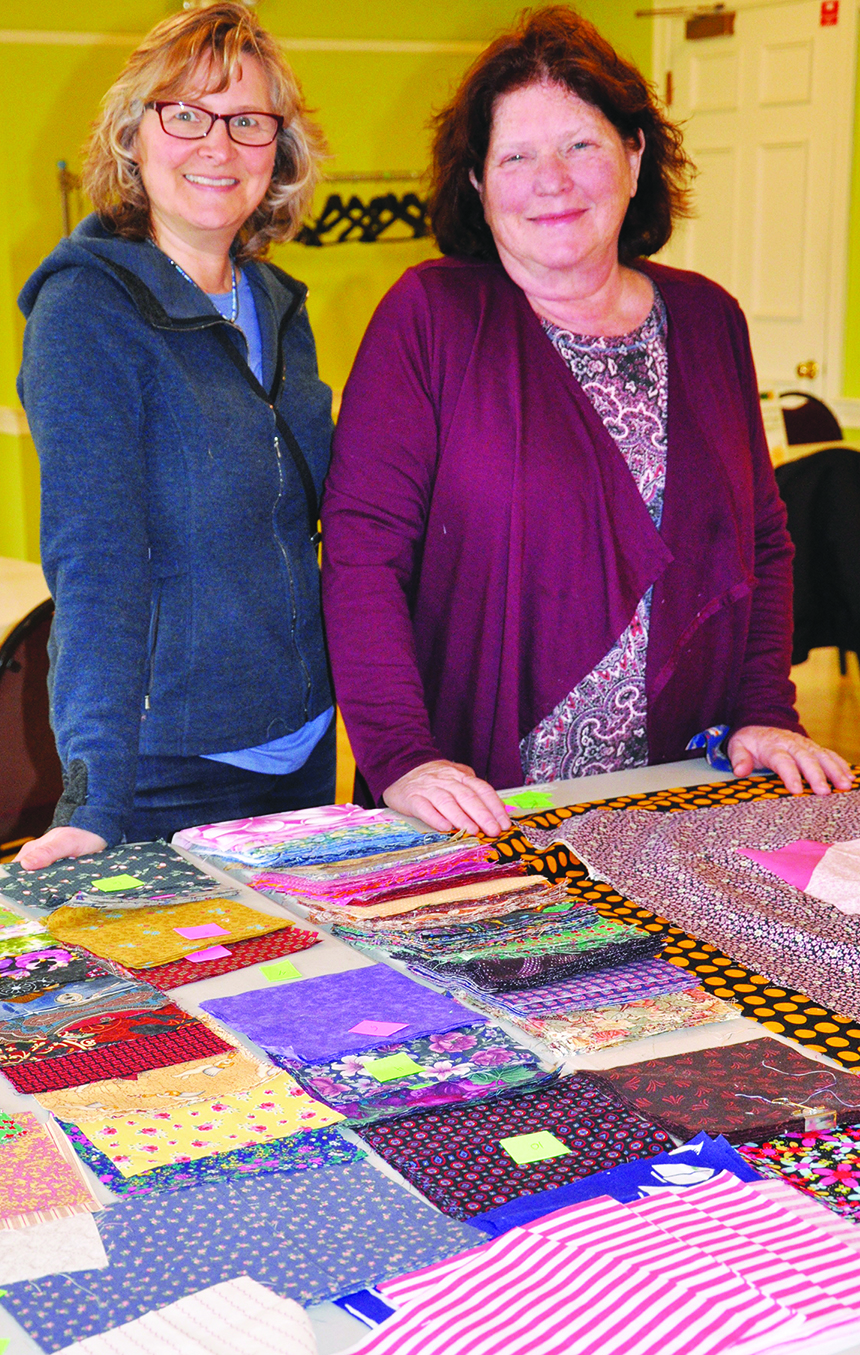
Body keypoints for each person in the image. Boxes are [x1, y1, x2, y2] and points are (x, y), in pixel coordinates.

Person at [321, 6, 852, 837]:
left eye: (580, 145)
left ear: (634, 156)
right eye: (517, 156)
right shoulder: (429, 319)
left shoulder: (710, 320)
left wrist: (765, 710)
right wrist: (399, 756)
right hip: (483, 807)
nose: (552, 179)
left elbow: (763, 540)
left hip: (684, 794)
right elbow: (362, 551)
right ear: (477, 183)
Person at [16, 2, 335, 869]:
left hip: (306, 749)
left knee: (302, 1003)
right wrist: (94, 796)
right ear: (134, 135)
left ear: (280, 149)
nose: (218, 145)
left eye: (248, 121)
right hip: (170, 771)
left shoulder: (278, 303)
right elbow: (95, 559)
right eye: (185, 113)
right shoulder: (86, 311)